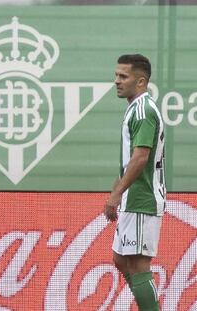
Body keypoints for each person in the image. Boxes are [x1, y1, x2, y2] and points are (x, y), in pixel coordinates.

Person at [104, 54, 165, 311]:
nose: (116, 81)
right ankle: (146, 305)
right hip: (133, 197)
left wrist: (117, 194)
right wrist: (117, 187)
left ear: (141, 81)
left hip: (142, 197)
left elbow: (141, 157)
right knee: (120, 259)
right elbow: (132, 157)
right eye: (116, 75)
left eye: (123, 76)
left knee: (139, 264)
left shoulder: (143, 110)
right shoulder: (136, 107)